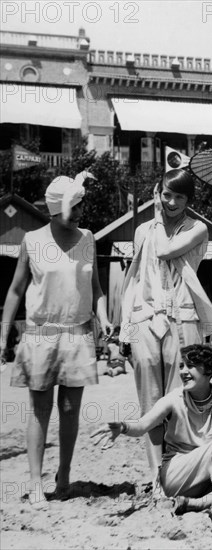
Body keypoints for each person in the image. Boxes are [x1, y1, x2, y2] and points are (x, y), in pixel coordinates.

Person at [0, 171, 113, 509]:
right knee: (39, 411)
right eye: (73, 207)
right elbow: (16, 290)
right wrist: (4, 333)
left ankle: (63, 473)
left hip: (77, 334)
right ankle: (35, 482)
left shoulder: (88, 238)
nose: (79, 213)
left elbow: (96, 290)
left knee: (69, 410)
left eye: (81, 206)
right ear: (54, 208)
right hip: (40, 334)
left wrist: (103, 316)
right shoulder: (32, 241)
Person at [91, 345, 212, 525]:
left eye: (190, 366)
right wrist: (121, 427)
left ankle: (196, 503)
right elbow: (142, 425)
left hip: (209, 474)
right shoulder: (174, 398)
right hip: (176, 475)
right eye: (181, 366)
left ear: (208, 371)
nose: (183, 372)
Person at [119, 168, 212, 481]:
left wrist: (157, 213)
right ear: (158, 192)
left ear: (189, 199)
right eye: (166, 194)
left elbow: (164, 250)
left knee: (179, 396)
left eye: (179, 196)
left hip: (183, 317)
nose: (172, 201)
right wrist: (127, 327)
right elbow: (135, 280)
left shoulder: (197, 229)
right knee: (149, 399)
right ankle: (154, 473)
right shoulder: (142, 231)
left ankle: (176, 468)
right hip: (145, 318)